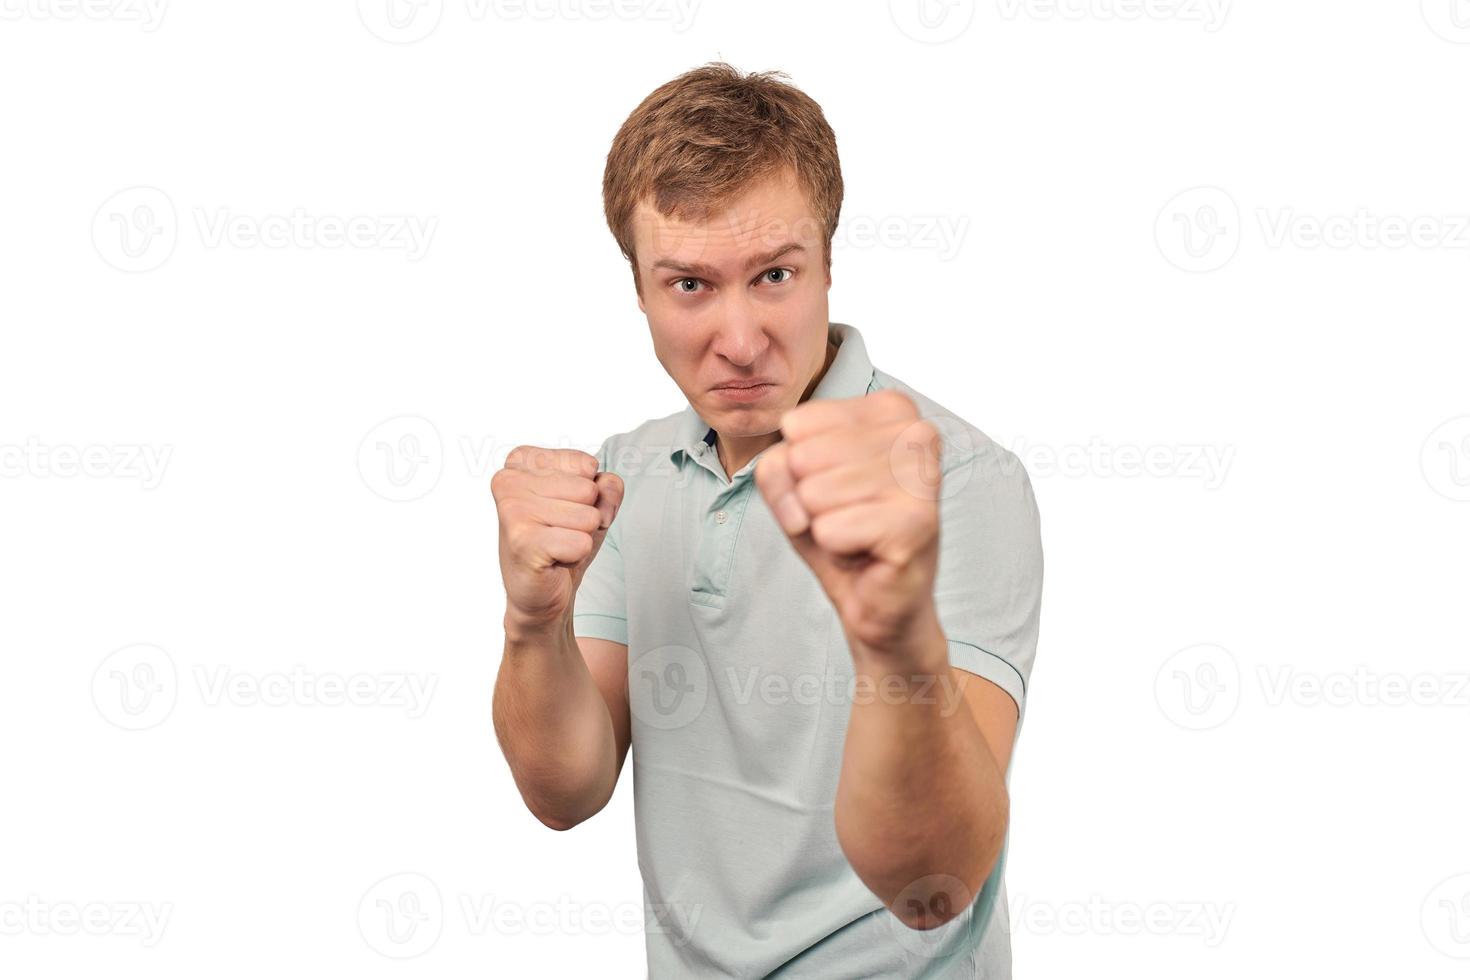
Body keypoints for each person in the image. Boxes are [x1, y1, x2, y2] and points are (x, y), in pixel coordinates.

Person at [491, 62, 1043, 979]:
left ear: (829, 262)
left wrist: (893, 636)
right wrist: (530, 624)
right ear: (637, 289)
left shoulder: (963, 476)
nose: (740, 342)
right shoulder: (627, 474)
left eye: (775, 275)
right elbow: (566, 790)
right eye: (691, 286)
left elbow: (933, 883)